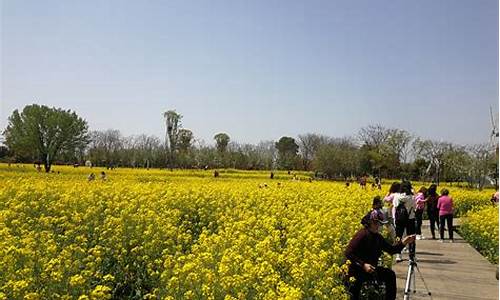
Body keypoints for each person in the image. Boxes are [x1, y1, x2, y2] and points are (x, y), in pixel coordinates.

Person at [345, 209, 415, 300]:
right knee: (354, 293)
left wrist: (404, 242)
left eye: (380, 223)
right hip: (356, 271)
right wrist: (363, 265)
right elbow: (348, 253)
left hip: (370, 270)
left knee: (390, 275)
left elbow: (392, 250)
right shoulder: (362, 235)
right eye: (376, 223)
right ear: (369, 223)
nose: (378, 226)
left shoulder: (378, 237)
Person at [393, 181, 416, 262]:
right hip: (410, 218)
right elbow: (414, 206)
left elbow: (395, 206)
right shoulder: (412, 197)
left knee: (398, 236)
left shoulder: (396, 196)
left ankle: (398, 255)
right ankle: (411, 256)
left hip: (399, 219)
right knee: (411, 236)